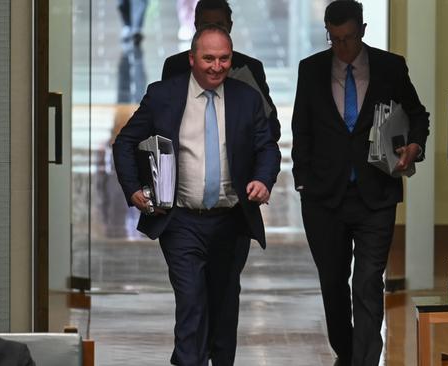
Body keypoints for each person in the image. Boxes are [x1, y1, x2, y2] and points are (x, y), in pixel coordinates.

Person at [113, 24, 280, 365]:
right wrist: (133, 190)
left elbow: (268, 148)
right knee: (190, 301)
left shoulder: (246, 99)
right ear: (192, 59)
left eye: (224, 59)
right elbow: (125, 142)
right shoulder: (163, 96)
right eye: (208, 59)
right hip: (181, 221)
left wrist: (263, 180)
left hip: (231, 221)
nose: (217, 66)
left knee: (222, 303)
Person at [291, 1, 430, 365]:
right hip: (324, 198)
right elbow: (300, 128)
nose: (343, 47)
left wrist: (415, 145)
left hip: (376, 195)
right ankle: (347, 352)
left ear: (363, 30)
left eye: (349, 38)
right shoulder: (311, 70)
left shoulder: (389, 67)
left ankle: (365, 360)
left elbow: (418, 114)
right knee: (333, 284)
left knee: (368, 283)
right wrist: (302, 181)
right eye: (334, 39)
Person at [161, 0, 281, 142]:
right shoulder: (176, 67)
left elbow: (272, 129)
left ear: (229, 26)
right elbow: (162, 125)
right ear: (196, 26)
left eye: (219, 25)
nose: (213, 32)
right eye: (206, 25)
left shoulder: (248, 69)